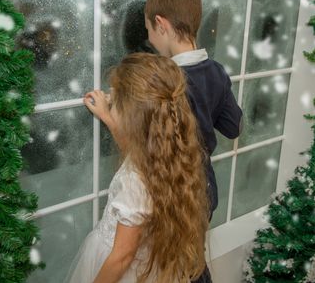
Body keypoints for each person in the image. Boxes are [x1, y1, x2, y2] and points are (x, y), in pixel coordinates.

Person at [65, 53, 209, 283]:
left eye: (114, 96)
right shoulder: (164, 153)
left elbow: (122, 257)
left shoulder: (135, 181)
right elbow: (135, 152)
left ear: (132, 114)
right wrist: (108, 118)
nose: (110, 98)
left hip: (119, 268)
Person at [145, 0, 243, 283]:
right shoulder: (215, 71)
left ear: (161, 25)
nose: (149, 39)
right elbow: (232, 126)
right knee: (190, 260)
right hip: (205, 190)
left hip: (176, 193)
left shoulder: (168, 79)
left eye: (149, 30)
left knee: (181, 269)